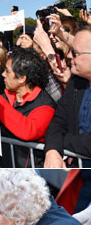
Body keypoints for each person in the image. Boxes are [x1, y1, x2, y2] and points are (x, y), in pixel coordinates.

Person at [44, 26, 91, 168]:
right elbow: (58, 121)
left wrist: (65, 140)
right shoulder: (76, 82)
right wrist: (52, 150)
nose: (69, 55)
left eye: (75, 53)